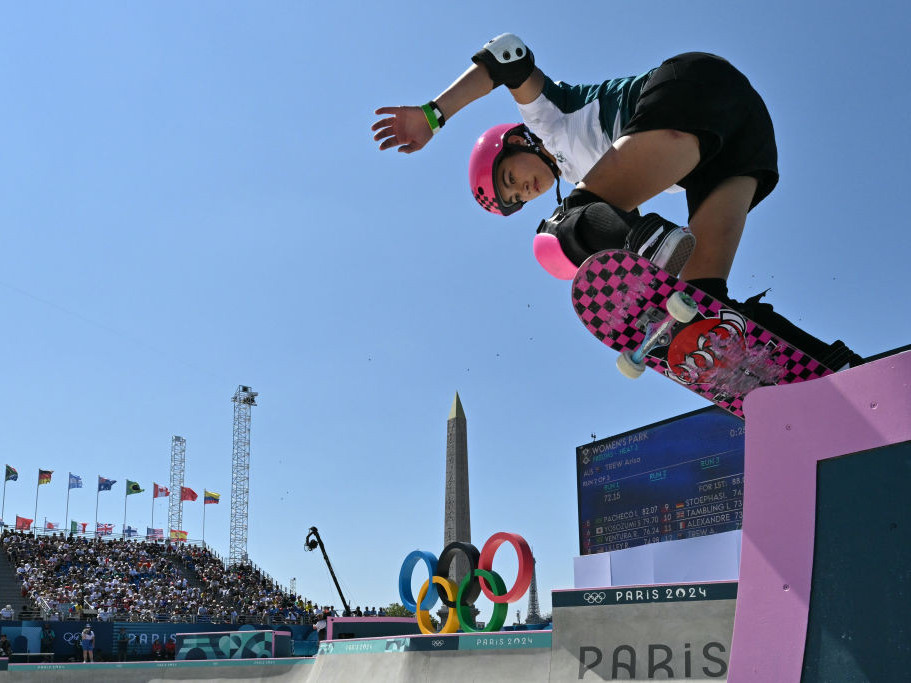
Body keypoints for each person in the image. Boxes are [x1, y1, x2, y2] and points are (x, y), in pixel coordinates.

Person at [373, 34, 861, 370]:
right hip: (740, 142)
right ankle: (835, 368)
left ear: (517, 142)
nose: (522, 192)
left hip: (694, 88)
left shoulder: (546, 116)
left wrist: (434, 114)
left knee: (561, 231)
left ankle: (645, 243)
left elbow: (508, 55)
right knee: (702, 310)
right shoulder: (597, 179)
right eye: (514, 199)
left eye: (510, 178)